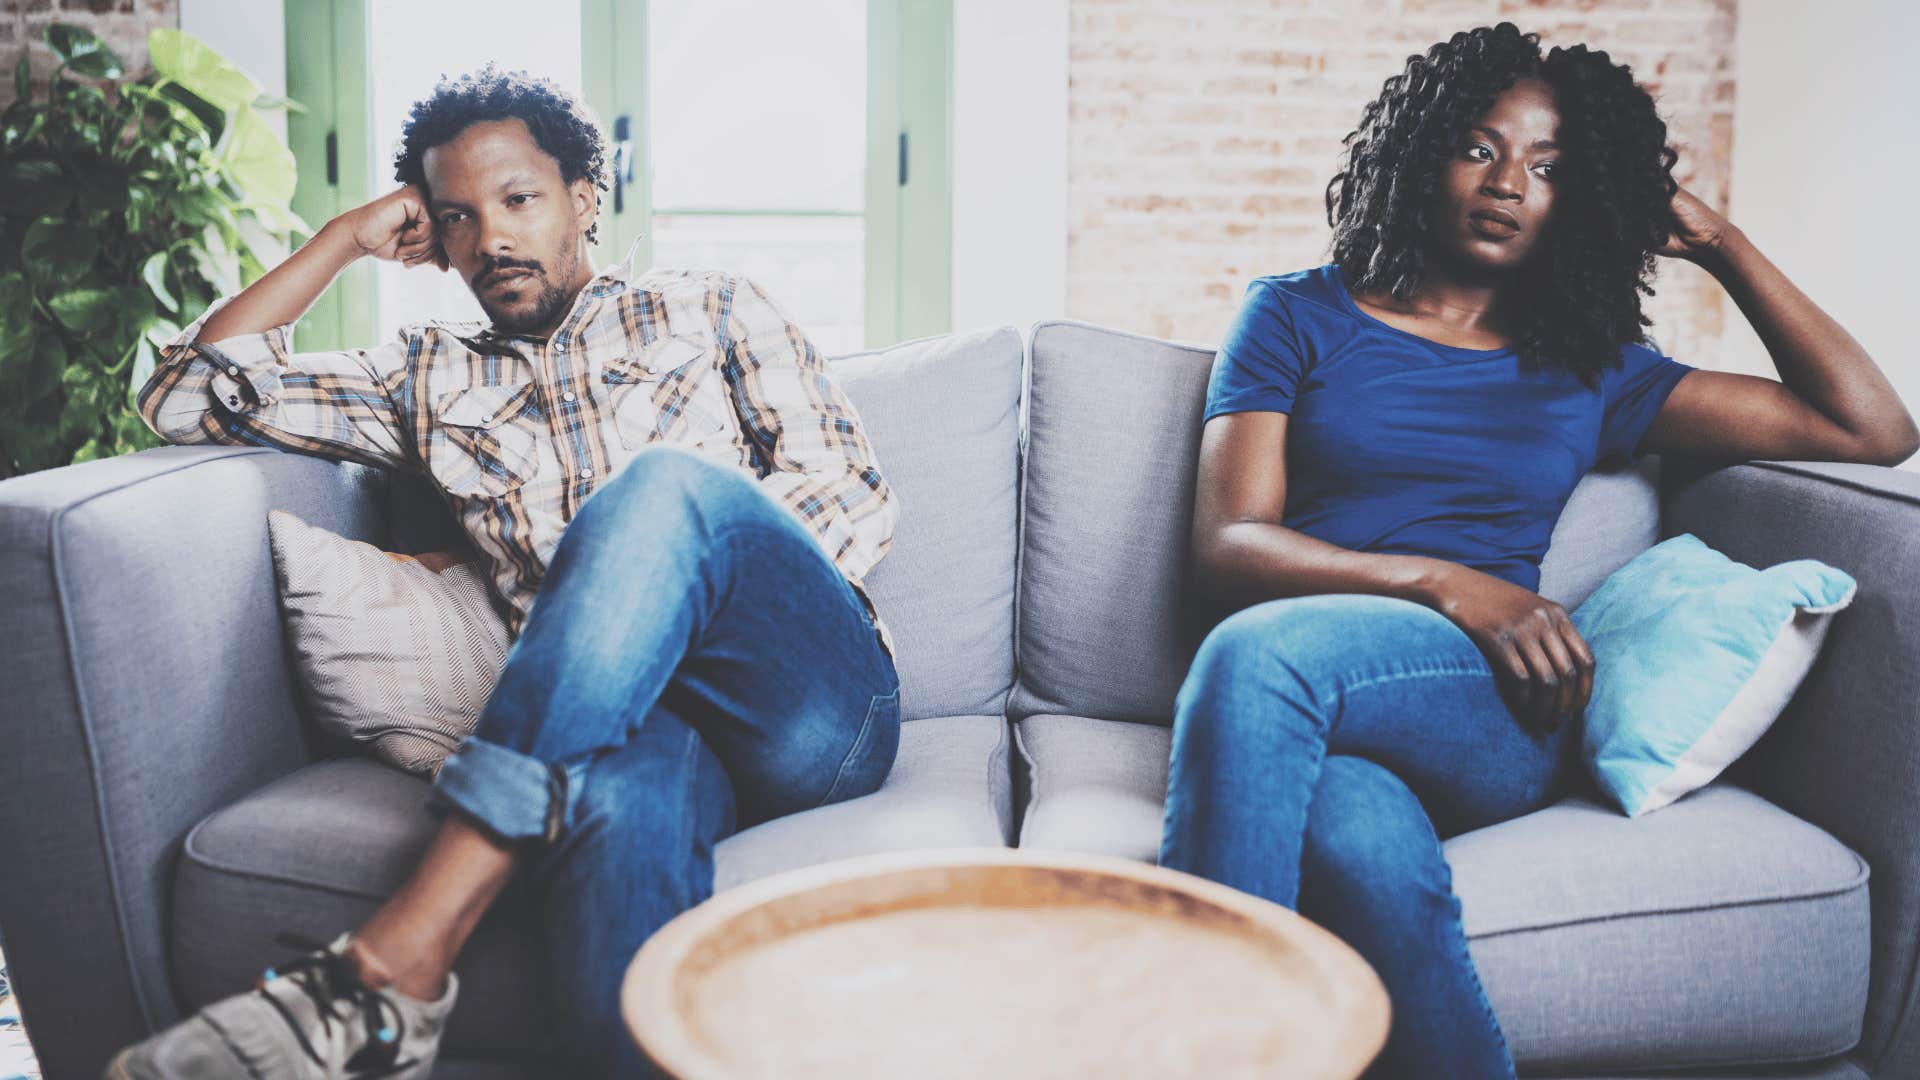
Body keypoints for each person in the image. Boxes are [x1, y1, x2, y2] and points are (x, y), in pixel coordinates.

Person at [1157, 22, 1916, 1079]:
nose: (1507, 181)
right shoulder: (1295, 316)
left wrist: (1721, 244)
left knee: (1256, 659)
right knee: (1358, 836)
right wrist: (1447, 582)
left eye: (1548, 166)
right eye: (1479, 147)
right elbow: (1229, 544)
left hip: (1490, 708)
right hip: (1327, 681)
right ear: (1420, 154)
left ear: (1581, 199)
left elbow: (1873, 430)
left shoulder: (1592, 369)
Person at [109, 65, 900, 1078]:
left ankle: (397, 959)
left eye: (519, 200)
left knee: (664, 493)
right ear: (434, 242)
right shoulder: (422, 376)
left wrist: (662, 591)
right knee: (613, 806)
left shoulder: (710, 308)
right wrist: (344, 239)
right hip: (613, 729)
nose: (491, 238)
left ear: (584, 200)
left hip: (806, 706)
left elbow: (849, 488)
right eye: (457, 218)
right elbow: (186, 394)